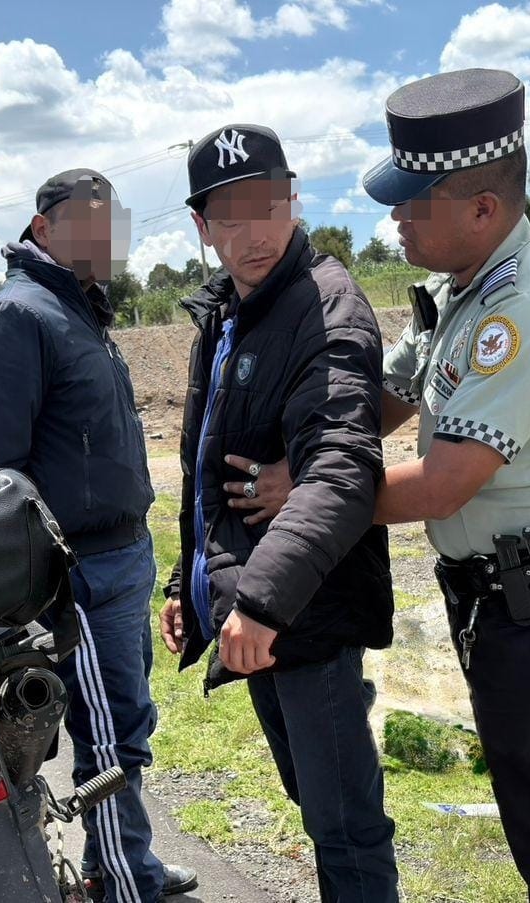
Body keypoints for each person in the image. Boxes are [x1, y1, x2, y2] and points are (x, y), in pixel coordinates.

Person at [223, 70, 530, 902]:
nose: (395, 217)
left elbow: (443, 484)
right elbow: (393, 399)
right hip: (506, 599)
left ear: (482, 208)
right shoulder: (461, 290)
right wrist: (316, 437)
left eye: (414, 203)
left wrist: (310, 493)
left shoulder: (529, 312)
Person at [156, 124, 399, 902]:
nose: (250, 231)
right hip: (255, 610)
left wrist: (260, 601)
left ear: (294, 199)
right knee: (316, 805)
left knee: (346, 825)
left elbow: (340, 466)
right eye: (227, 215)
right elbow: (206, 461)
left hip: (304, 609)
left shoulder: (325, 307)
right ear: (201, 227)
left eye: (266, 205)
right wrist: (184, 580)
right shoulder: (228, 311)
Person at [0, 170, 196, 903]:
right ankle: (128, 885)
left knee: (129, 718)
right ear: (43, 228)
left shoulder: (76, 309)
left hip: (122, 557)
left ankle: (125, 863)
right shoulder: (21, 316)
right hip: (78, 573)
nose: (105, 233)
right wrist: (31, 580)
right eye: (86, 218)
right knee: (110, 732)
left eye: (111, 218)